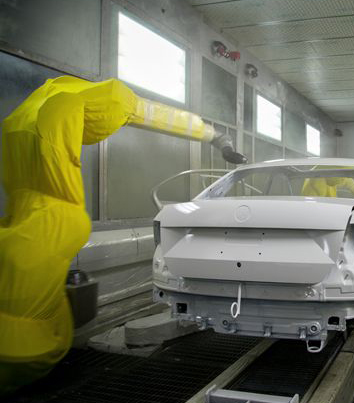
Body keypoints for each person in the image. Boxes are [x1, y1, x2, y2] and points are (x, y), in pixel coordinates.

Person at [0, 76, 245, 393]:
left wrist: (218, 138)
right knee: (28, 314)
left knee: (23, 305)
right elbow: (153, 115)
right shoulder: (86, 101)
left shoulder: (20, 119)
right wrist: (215, 137)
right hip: (52, 220)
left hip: (22, 218)